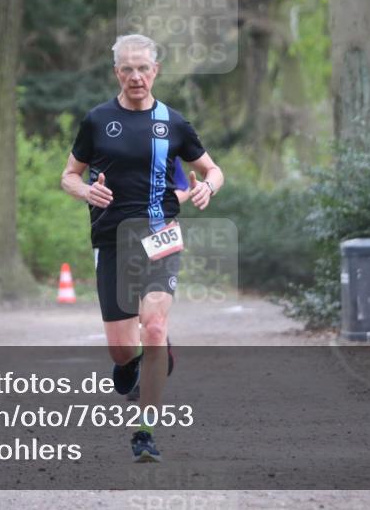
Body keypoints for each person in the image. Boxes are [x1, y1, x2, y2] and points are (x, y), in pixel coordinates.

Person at [60, 34, 224, 462]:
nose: (136, 76)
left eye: (143, 68)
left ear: (156, 71)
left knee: (154, 326)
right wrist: (84, 193)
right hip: (112, 237)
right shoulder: (97, 121)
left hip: (161, 233)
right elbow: (69, 175)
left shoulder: (173, 122)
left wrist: (207, 186)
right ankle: (132, 364)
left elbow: (210, 169)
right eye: (127, 68)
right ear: (117, 72)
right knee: (120, 349)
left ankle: (144, 432)